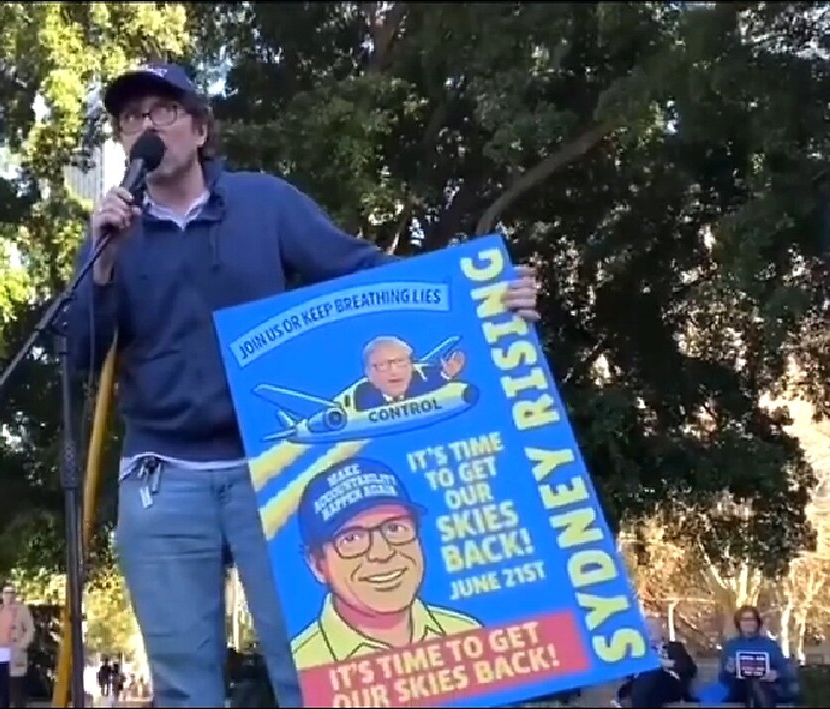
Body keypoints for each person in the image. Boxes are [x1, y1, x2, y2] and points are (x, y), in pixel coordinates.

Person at [64, 62, 542, 707]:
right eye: (131, 118)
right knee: (183, 684)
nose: (146, 126)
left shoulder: (266, 203)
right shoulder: (114, 235)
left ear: (201, 129)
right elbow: (81, 357)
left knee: (313, 672)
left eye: (163, 111)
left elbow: (366, 274)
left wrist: (484, 296)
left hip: (276, 470)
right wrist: (101, 268)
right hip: (162, 476)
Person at [290, 458, 481, 669]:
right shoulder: (303, 666)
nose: (383, 553)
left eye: (394, 529)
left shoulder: (467, 633)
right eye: (351, 538)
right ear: (317, 565)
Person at [718, 605, 793, 707]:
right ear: (738, 623)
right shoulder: (731, 646)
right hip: (738, 688)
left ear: (757, 622)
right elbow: (722, 678)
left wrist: (776, 674)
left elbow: (785, 670)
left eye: (752, 619)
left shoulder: (770, 645)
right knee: (753, 685)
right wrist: (728, 670)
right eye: (744, 620)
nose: (748, 623)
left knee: (758, 685)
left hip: (767, 686)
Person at [612, 617, 695, 707]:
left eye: (652, 628)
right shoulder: (639, 652)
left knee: (651, 673)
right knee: (650, 695)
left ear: (661, 630)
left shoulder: (674, 647)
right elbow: (627, 674)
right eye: (646, 629)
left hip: (669, 684)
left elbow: (689, 668)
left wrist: (662, 663)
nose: (648, 632)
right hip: (645, 688)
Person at [0, 584, 34, 708]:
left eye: (12, 593)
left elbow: (30, 629)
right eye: (6, 593)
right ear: (1, 595)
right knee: (0, 689)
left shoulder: (22, 610)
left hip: (13, 654)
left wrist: (22, 645)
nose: (9, 596)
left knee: (16, 689)